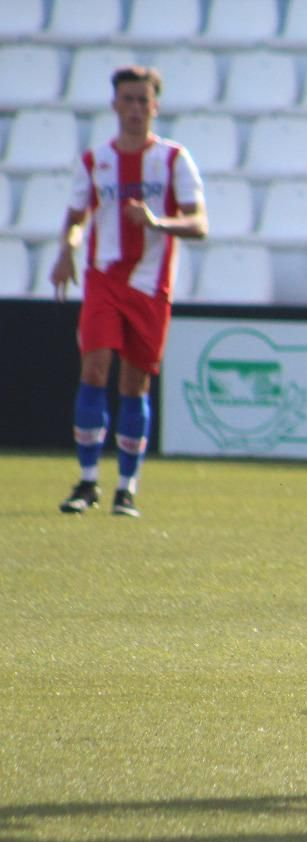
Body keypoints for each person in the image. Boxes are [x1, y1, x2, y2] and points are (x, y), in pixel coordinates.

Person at [54, 66, 207, 519]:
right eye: (129, 99)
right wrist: (66, 250)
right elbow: (77, 218)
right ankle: (86, 483)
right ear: (115, 104)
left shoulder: (175, 159)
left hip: (150, 284)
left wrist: (159, 222)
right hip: (104, 279)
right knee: (95, 370)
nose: (136, 108)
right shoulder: (94, 160)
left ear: (155, 106)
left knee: (134, 383)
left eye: (144, 100)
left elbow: (199, 224)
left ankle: (126, 488)